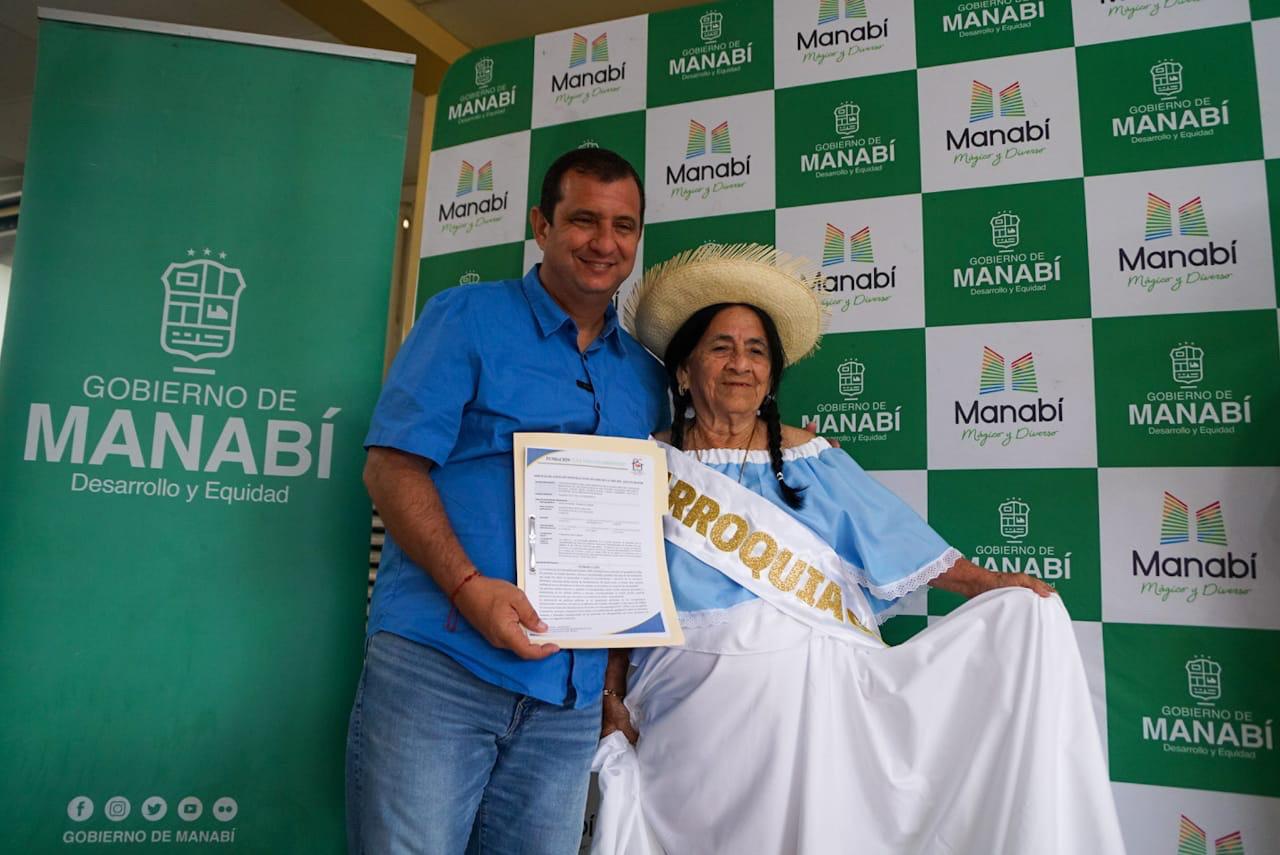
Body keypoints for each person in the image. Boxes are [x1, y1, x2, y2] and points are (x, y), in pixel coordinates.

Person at [591, 243, 1126, 855]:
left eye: (757, 350)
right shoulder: (646, 466)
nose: (740, 364)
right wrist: (611, 697)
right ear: (685, 370)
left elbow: (892, 537)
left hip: (816, 725)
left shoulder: (811, 458)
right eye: (721, 347)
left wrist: (989, 584)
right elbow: (618, 598)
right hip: (685, 726)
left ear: (771, 376)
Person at [345, 147, 668, 854]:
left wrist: (611, 680)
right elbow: (391, 468)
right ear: (541, 225)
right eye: (583, 220)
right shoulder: (465, 318)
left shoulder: (646, 376)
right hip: (442, 669)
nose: (604, 242)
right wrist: (469, 588)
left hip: (567, 698)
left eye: (623, 225)